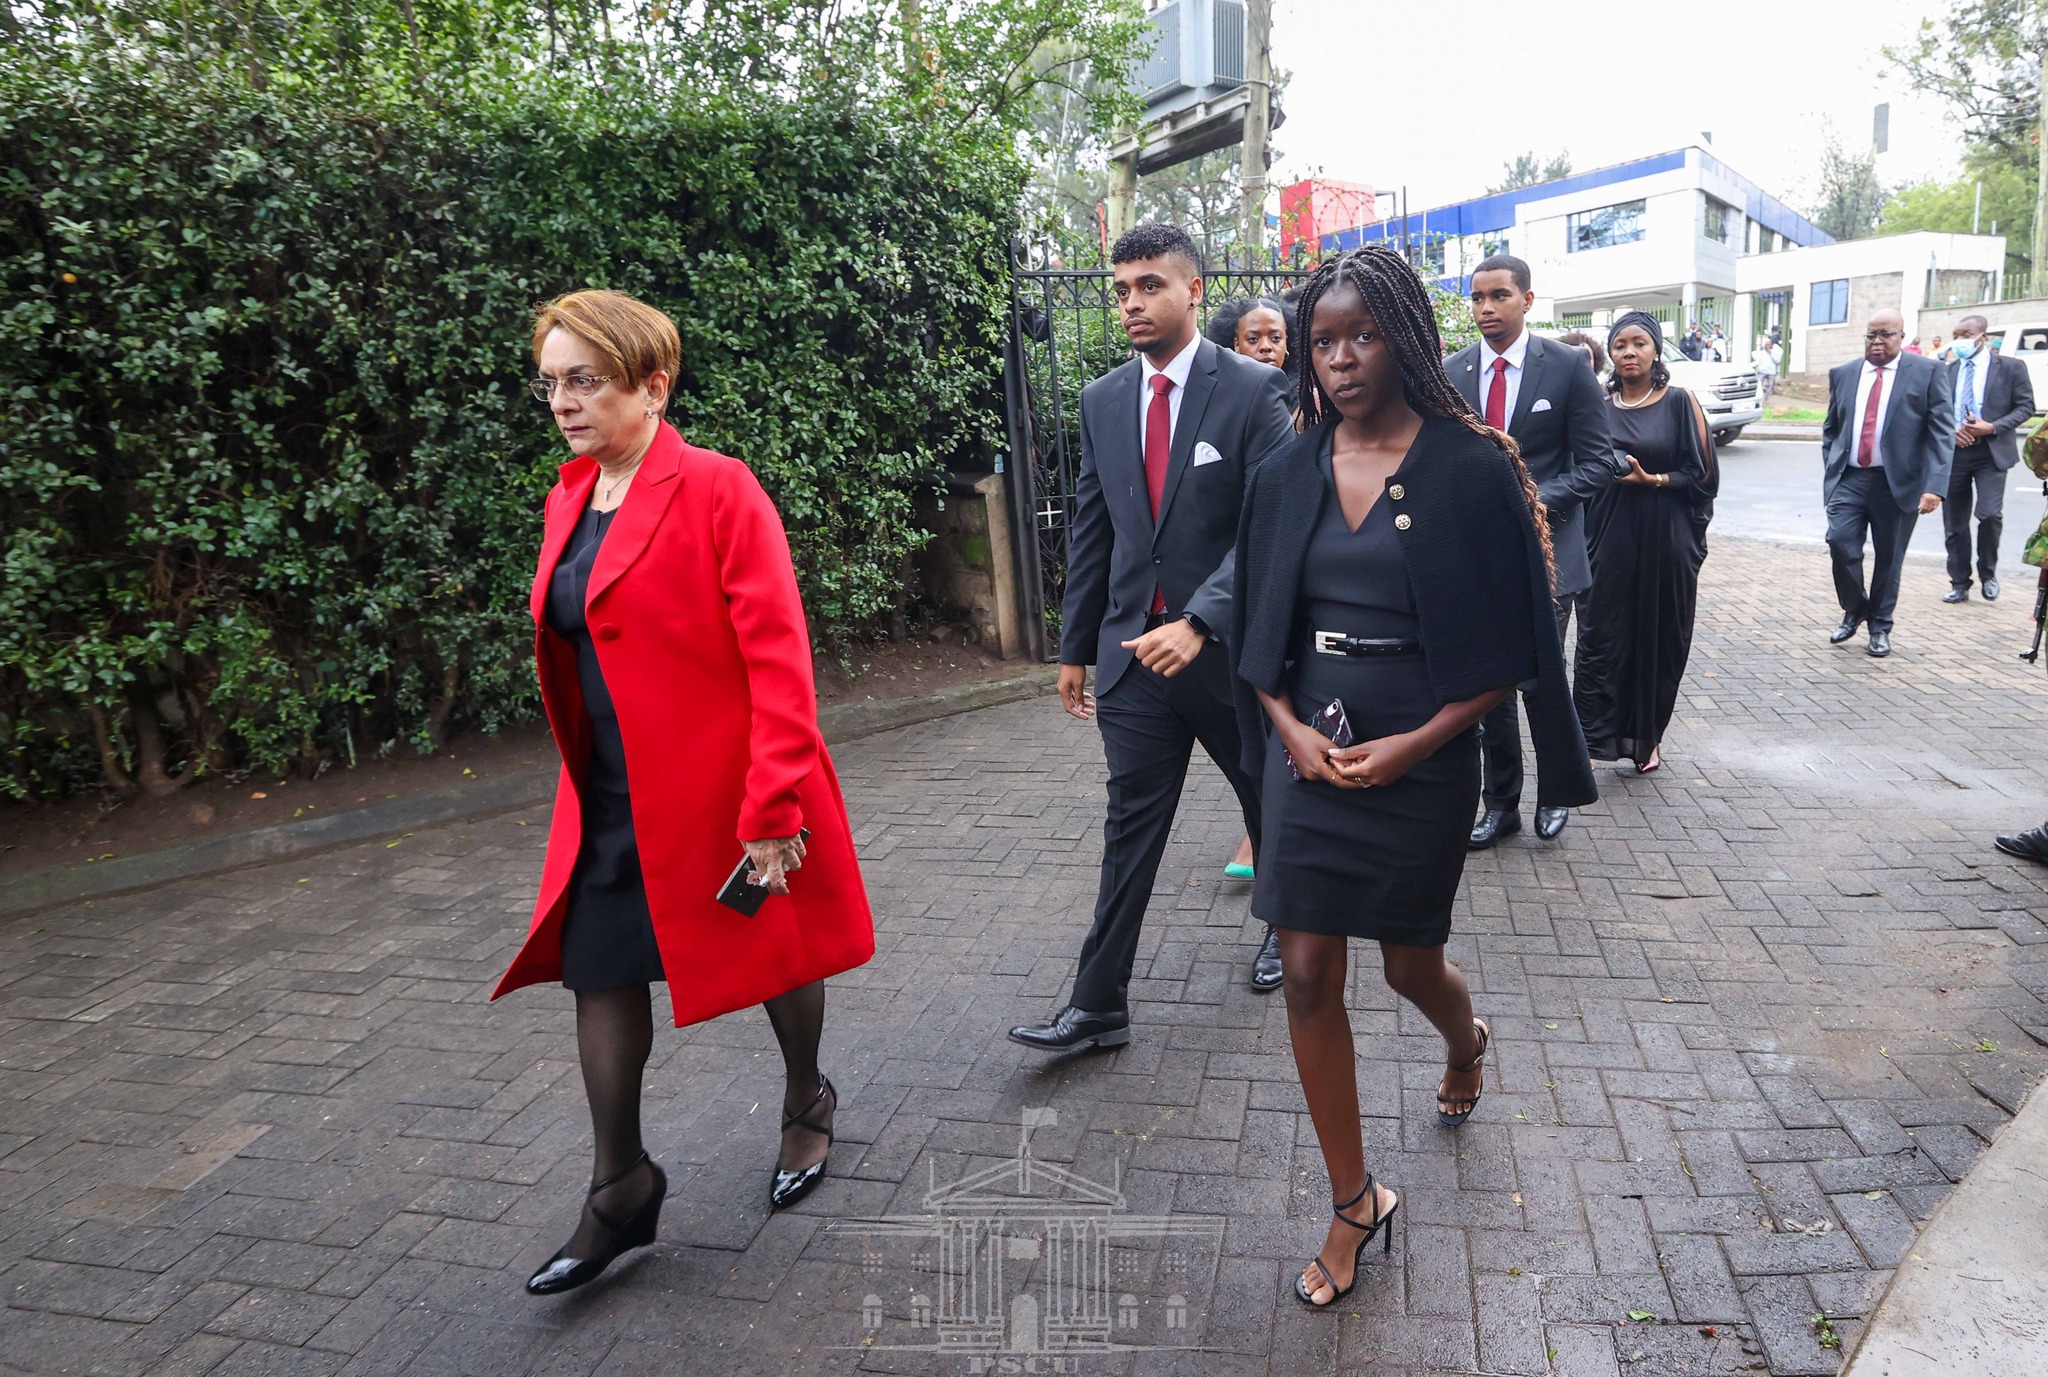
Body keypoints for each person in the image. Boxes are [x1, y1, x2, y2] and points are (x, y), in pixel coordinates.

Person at [1231, 246, 1595, 1309]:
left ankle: (1464, 1039)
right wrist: (1284, 729)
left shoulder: (1470, 467)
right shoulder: (1284, 471)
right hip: (1309, 746)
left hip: (1418, 750)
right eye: (1321, 342)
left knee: (1404, 965)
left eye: (1361, 336)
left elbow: (1507, 649)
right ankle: (1355, 1203)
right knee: (1303, 970)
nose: (1338, 360)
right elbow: (1258, 629)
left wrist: (1413, 745)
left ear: (1403, 338)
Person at [497, 290, 875, 1295]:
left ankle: (806, 1097)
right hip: (610, 792)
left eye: (584, 380)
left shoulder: (718, 489)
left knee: (770, 945)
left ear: (650, 384)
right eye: (550, 382)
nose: (562, 403)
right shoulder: (569, 495)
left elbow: (777, 658)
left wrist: (770, 811)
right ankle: (619, 1183)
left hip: (725, 787)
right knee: (599, 967)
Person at [1012, 222, 1297, 1050]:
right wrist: (1074, 648)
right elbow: (1096, 531)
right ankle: (1099, 1002)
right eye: (1123, 289)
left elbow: (1271, 528)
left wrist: (1201, 620)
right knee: (1130, 823)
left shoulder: (1251, 391)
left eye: (1150, 286)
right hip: (1133, 660)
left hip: (1229, 655)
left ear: (1193, 289)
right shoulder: (1103, 398)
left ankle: (1286, 922)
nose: (1133, 302)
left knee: (1264, 795)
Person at [1448, 254, 1618, 847]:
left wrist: (1536, 498)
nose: (1486, 309)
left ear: (1527, 299)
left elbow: (1602, 462)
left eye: (1499, 296)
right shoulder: (1454, 371)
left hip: (1549, 553)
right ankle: (1501, 803)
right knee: (1491, 684)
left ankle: (1556, 793)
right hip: (1479, 557)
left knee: (1544, 677)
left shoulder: (1568, 367)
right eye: (1477, 298)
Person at [1573, 313, 1719, 774]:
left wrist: (1651, 479)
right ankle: (1591, 739)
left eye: (1639, 343)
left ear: (1656, 350)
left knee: (1658, 639)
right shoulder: (1597, 404)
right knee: (1600, 637)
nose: (1629, 352)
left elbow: (1705, 477)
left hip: (1664, 541)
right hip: (1607, 537)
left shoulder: (1679, 402)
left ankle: (1647, 740)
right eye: (1620, 345)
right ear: (1610, 355)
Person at [1205, 294, 1294, 882]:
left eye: (1276, 337)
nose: (1266, 347)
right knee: (1256, 725)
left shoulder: (1324, 400)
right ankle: (1260, 831)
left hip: (1308, 581)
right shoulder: (1228, 404)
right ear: (1233, 344)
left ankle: (1280, 836)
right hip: (1250, 581)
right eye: (1253, 338)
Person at [1820, 308, 1954, 657]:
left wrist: (1934, 485)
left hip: (1898, 483)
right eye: (1871, 335)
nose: (1877, 341)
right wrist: (1832, 467)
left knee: (1889, 559)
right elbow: (1831, 428)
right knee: (1839, 543)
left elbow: (1942, 434)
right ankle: (1855, 607)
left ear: (1901, 337)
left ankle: (1879, 625)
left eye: (1885, 335)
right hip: (1850, 479)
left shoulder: (1927, 372)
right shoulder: (1844, 373)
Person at [1942, 315, 2037, 604]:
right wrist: (1952, 431)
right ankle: (1959, 582)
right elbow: (1936, 411)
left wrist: (1992, 426)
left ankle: (1989, 573)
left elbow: (2026, 406)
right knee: (1954, 523)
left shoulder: (2010, 367)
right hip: (1955, 453)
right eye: (1957, 334)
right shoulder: (1948, 371)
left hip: (1991, 452)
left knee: (1989, 514)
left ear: (1982, 336)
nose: (1961, 340)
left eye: (1966, 334)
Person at [1750, 335, 1779, 404]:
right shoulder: (1761, 353)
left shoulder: (1774, 352)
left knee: (1770, 385)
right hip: (1762, 371)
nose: (1768, 346)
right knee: (1759, 385)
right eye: (1767, 345)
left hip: (1771, 371)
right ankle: (1757, 399)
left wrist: (1771, 354)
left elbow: (1777, 361)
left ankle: (1766, 399)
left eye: (1769, 344)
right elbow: (1757, 360)